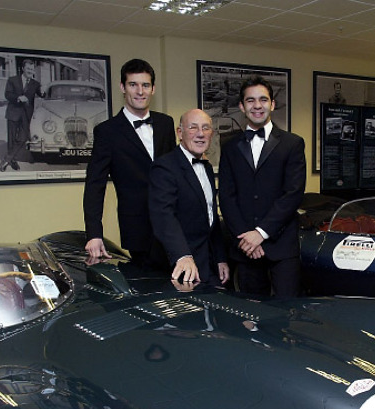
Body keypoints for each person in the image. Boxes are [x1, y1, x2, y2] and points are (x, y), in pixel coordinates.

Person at [218, 76, 306, 299]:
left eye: (263, 100)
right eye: (250, 100)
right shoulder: (229, 147)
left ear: (272, 104)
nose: (257, 106)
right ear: (241, 106)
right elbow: (227, 197)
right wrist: (247, 238)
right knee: (251, 317)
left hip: (282, 246)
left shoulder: (292, 143)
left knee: (286, 315)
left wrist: (261, 233)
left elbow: (293, 194)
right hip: (246, 247)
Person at [83, 58, 176, 266]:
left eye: (145, 85)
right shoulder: (107, 131)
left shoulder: (165, 123)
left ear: (153, 89)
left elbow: (174, 172)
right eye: (133, 85)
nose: (140, 91)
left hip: (173, 225)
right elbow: (94, 184)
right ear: (122, 87)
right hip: (137, 229)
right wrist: (94, 233)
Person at [149, 109, 228, 286]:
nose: (200, 134)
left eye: (205, 128)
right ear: (180, 133)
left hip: (209, 265)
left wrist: (220, 258)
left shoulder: (207, 167)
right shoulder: (165, 167)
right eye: (193, 128)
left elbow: (210, 217)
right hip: (182, 268)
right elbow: (163, 216)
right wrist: (182, 255)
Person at [1, 59, 45, 172]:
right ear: (23, 69)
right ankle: (12, 160)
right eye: (28, 68)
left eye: (32, 69)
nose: (30, 71)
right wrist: (17, 98)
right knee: (11, 139)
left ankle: (7, 158)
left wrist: (43, 91)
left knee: (23, 137)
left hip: (26, 114)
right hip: (13, 112)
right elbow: (8, 94)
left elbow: (42, 95)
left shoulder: (35, 83)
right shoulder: (13, 80)